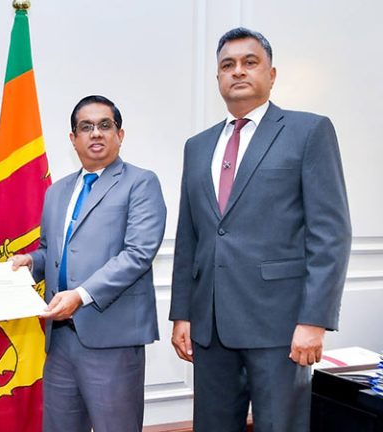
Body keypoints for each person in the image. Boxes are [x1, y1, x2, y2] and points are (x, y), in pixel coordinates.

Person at [169, 27, 352, 431]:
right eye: (227, 65)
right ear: (218, 78)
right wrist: (182, 312)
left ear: (271, 74)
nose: (238, 72)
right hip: (210, 326)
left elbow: (330, 234)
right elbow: (190, 236)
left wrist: (314, 321)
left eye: (250, 63)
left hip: (281, 327)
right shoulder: (197, 146)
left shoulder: (308, 131)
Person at [12, 95, 166, 432]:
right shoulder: (57, 192)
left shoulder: (140, 182)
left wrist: (80, 295)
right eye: (86, 127)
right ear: (73, 139)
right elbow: (50, 250)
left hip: (111, 337)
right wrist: (30, 262)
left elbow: (138, 253)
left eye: (104, 125)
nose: (95, 133)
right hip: (61, 339)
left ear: (120, 134)